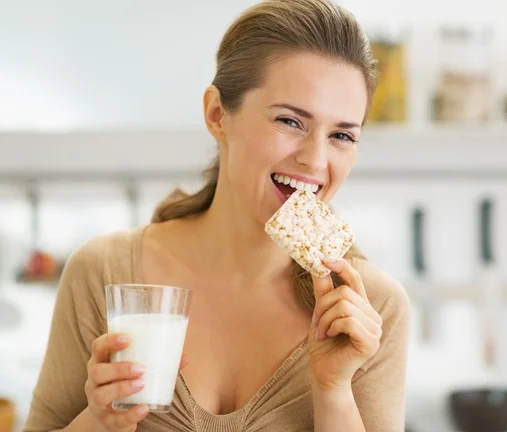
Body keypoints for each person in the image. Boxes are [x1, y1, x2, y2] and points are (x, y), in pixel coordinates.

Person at [23, 0, 411, 431]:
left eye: (341, 135)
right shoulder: (102, 274)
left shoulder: (373, 310)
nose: (316, 160)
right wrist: (99, 420)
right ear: (216, 114)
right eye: (290, 121)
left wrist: (334, 389)